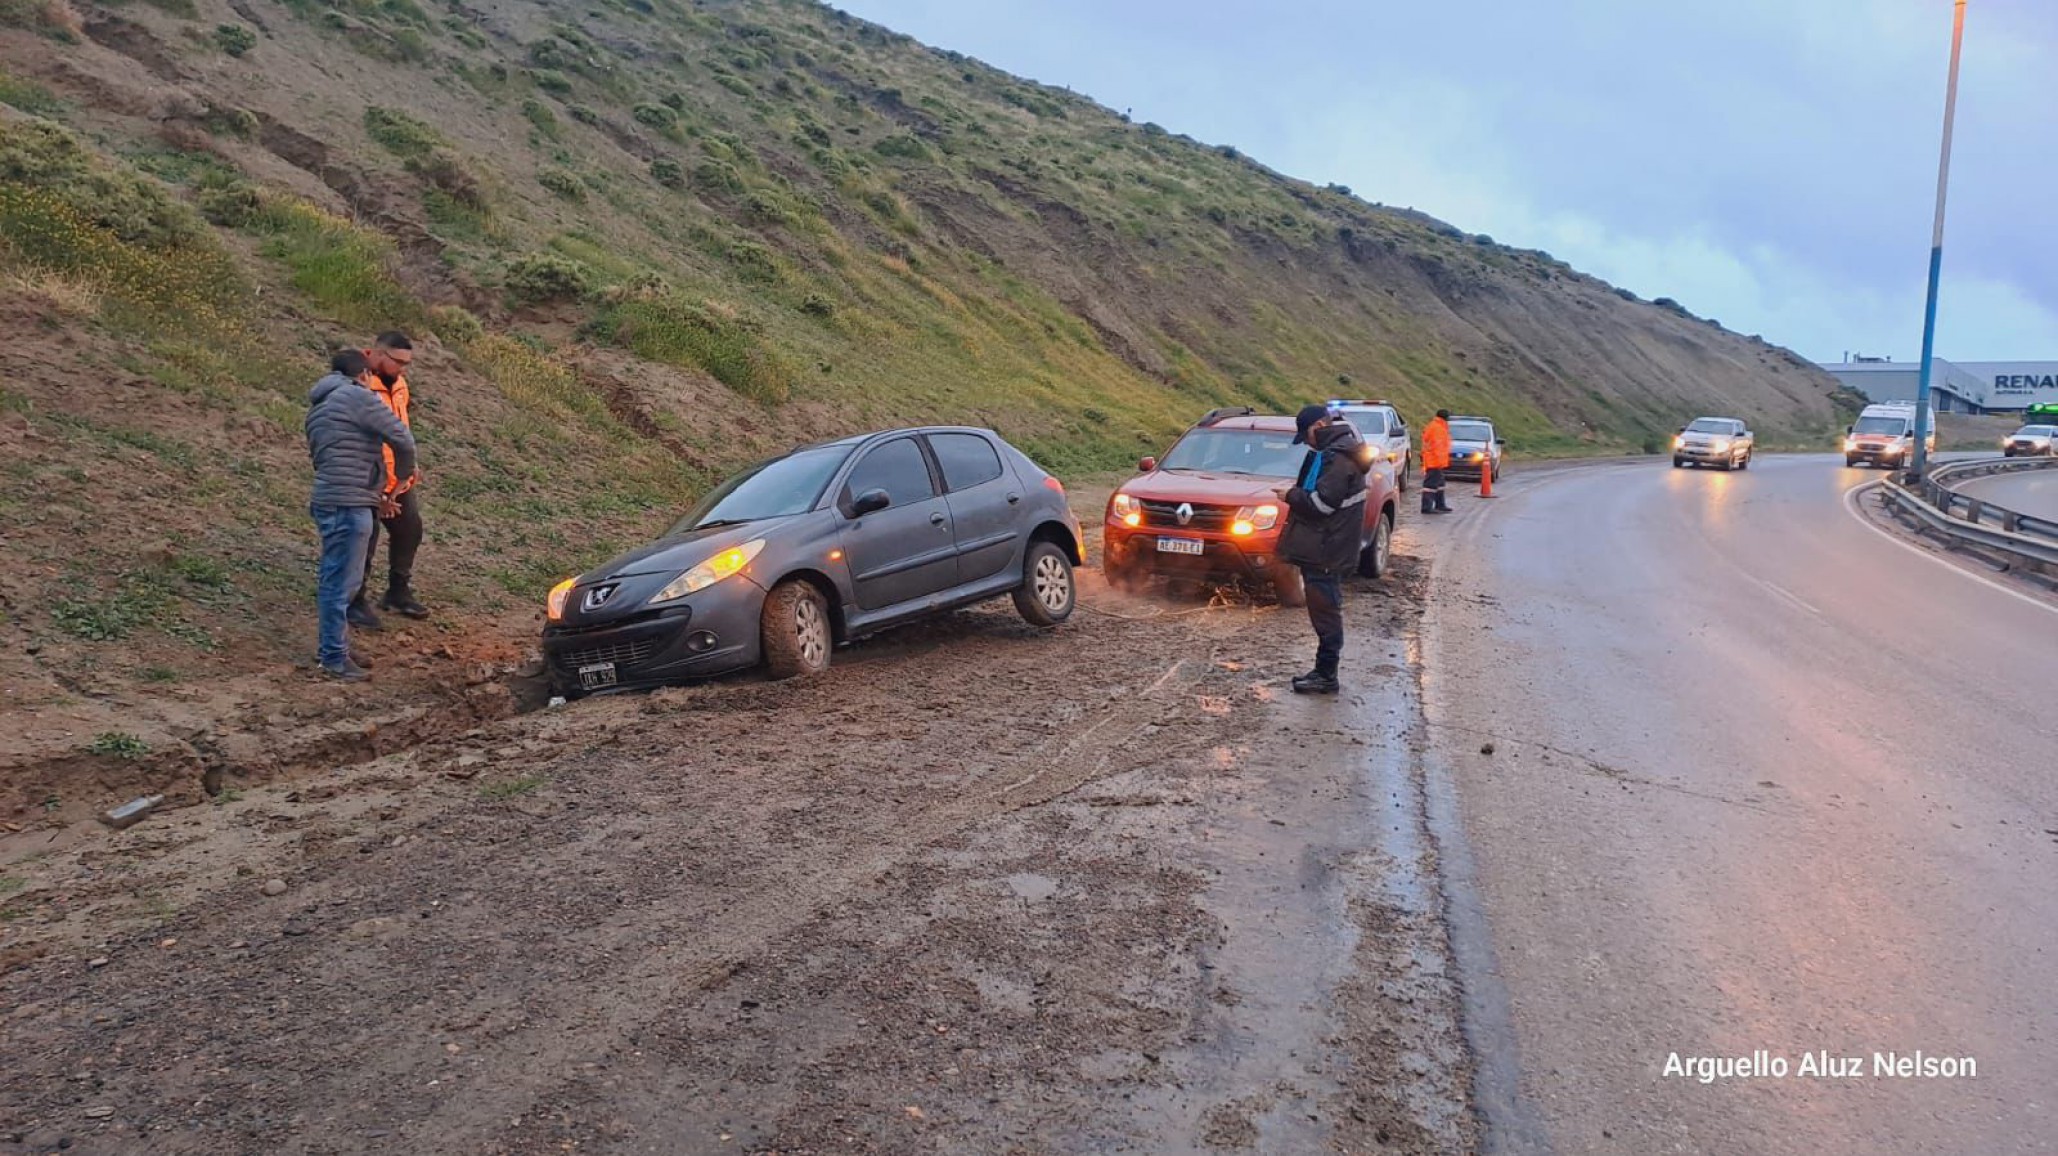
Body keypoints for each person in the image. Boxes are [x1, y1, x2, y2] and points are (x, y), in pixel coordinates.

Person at [306, 349, 417, 681]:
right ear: (364, 374)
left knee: (339, 578)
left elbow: (333, 460)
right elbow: (403, 439)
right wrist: (398, 485)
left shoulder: (318, 408)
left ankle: (336, 646)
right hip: (349, 505)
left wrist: (375, 495)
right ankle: (333, 657)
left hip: (332, 498)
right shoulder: (358, 397)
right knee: (341, 582)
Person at [1275, 404, 1368, 695]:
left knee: (1326, 612)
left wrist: (1289, 495)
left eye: (1306, 436)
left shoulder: (1338, 458)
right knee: (1324, 610)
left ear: (1318, 427)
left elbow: (1322, 505)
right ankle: (1323, 672)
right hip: (1326, 547)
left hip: (1327, 550)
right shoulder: (1337, 453)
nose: (1306, 443)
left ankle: (1326, 676)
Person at [348, 331, 430, 628]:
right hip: (368, 478)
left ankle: (397, 591)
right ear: (376, 355)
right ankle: (355, 600)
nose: (402, 369)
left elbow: (401, 427)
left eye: (407, 363)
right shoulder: (359, 386)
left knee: (410, 529)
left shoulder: (400, 385)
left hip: (398, 478)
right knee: (364, 540)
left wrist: (410, 466)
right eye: (397, 362)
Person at [1421, 408, 1453, 515]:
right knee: (1430, 485)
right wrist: (1439, 462)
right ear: (1445, 418)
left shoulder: (1437, 426)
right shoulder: (1438, 428)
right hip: (1434, 462)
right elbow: (1438, 447)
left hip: (1436, 461)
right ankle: (1427, 507)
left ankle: (1440, 505)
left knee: (1439, 484)